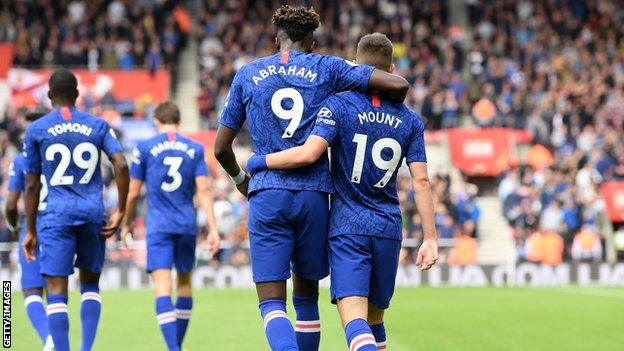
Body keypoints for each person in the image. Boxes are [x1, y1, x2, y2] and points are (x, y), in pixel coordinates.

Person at [214, 6, 409, 351]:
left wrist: (240, 179)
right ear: (312, 41)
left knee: (272, 303)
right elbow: (396, 83)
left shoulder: (247, 73)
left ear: (277, 40)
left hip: (267, 194)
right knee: (306, 299)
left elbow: (220, 149)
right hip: (313, 198)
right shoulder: (327, 67)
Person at [246, 33, 438, 351]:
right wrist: (430, 238)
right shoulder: (411, 120)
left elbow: (308, 153)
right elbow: (421, 182)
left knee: (355, 322)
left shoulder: (338, 106)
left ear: (356, 68)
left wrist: (258, 161)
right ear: (390, 68)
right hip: (388, 227)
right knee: (376, 321)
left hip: (348, 227)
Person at [22, 69, 130, 351]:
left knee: (56, 293)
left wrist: (31, 230)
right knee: (90, 286)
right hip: (93, 213)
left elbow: (32, 185)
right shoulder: (98, 125)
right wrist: (120, 211)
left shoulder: (37, 129)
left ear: (49, 96)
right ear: (78, 95)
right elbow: (121, 164)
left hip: (55, 216)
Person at [120, 101, 220, 351]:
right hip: (186, 224)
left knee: (162, 287)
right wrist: (213, 228)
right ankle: (177, 346)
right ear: (178, 121)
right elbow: (204, 191)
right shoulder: (195, 148)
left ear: (156, 121)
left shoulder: (144, 147)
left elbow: (133, 193)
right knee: (184, 283)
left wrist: (126, 223)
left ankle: (173, 349)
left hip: (159, 226)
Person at [5, 112, 54, 350]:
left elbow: (11, 204)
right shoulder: (57, 156)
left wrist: (14, 227)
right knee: (58, 292)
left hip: (33, 227)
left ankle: (49, 339)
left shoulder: (22, 160)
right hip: (60, 227)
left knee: (31, 290)